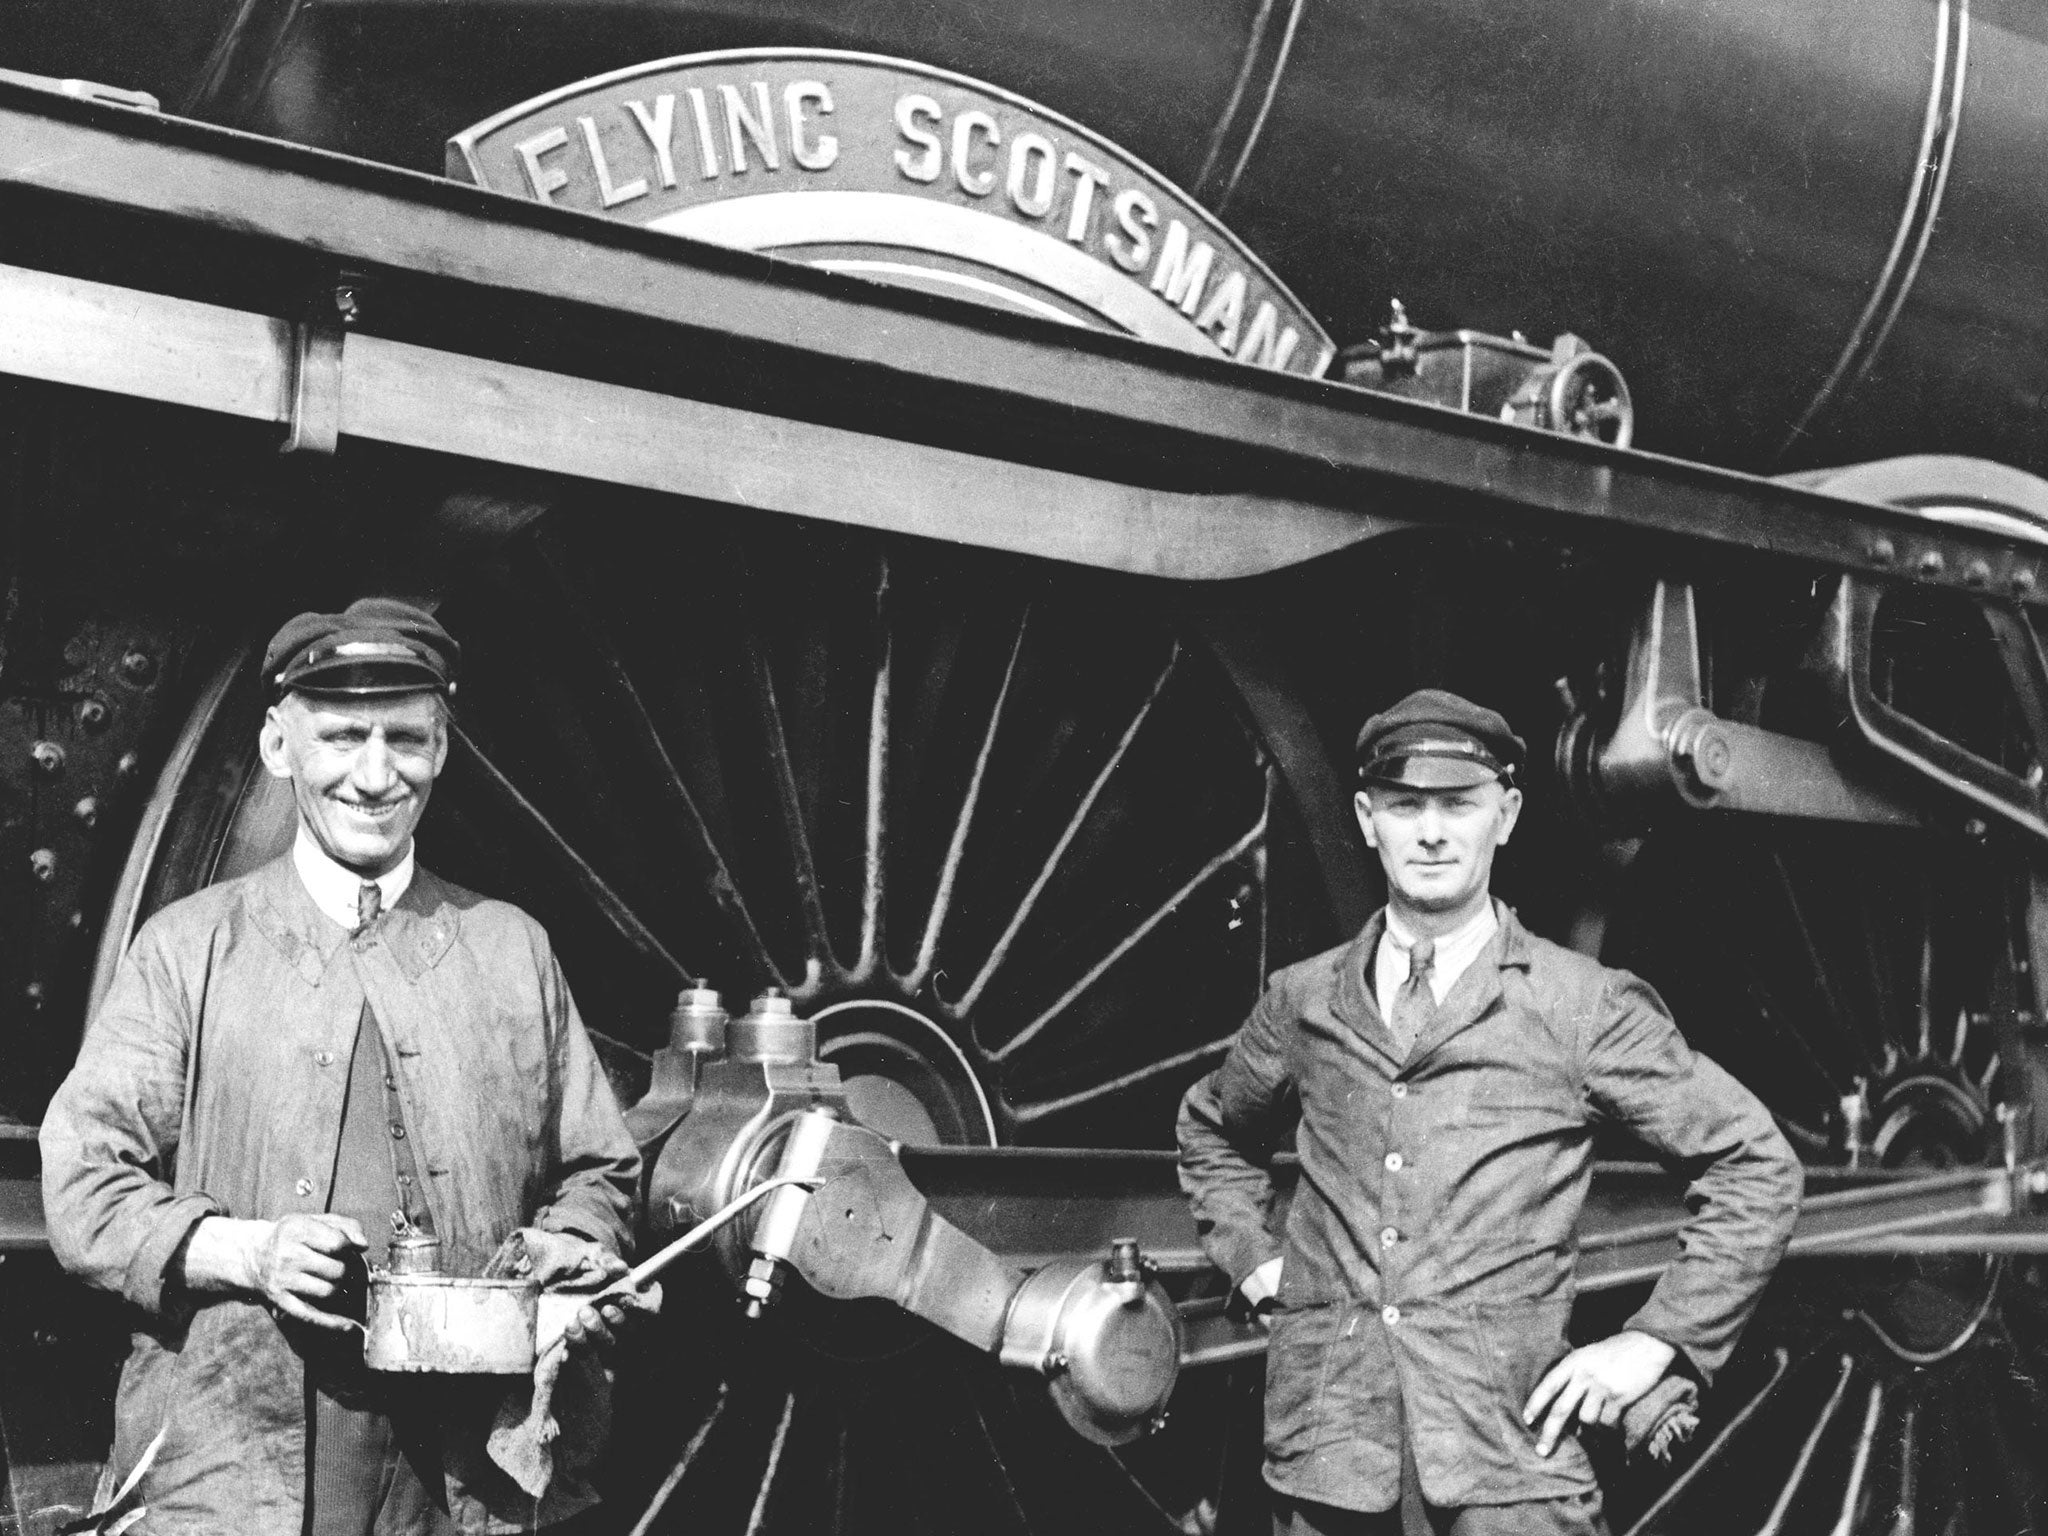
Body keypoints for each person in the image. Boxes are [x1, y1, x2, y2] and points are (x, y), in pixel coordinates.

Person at [41, 597, 647, 1535]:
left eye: (405, 738)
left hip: (463, 1474)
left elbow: (599, 1171)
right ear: (279, 747)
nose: (375, 775)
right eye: (341, 737)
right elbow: (84, 1183)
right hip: (239, 1467)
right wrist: (251, 1251)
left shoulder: (508, 950)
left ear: (442, 749)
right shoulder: (188, 950)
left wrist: (558, 1269)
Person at [1177, 689, 1802, 1536]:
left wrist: (1659, 1342)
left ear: (1504, 816)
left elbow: (1754, 1164)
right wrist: (1253, 1259)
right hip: (1328, 1471)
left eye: (1458, 805)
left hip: (1511, 1475)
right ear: (1367, 819)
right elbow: (1213, 1127)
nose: (1431, 832)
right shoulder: (1304, 1001)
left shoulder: (1583, 1006)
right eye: (1405, 806)